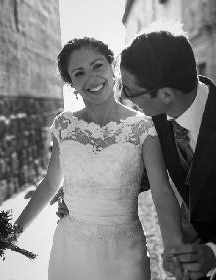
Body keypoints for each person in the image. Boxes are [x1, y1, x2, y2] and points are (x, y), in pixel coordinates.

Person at [14, 37, 184, 280]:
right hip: (70, 250)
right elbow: (51, 183)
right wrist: (15, 230)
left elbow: (162, 192)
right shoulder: (64, 124)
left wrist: (172, 246)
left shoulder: (143, 127)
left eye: (97, 66)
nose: (92, 78)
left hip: (124, 252)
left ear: (112, 67)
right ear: (71, 83)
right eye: (79, 73)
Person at [119, 22, 216, 280]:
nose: (125, 97)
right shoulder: (156, 117)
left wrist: (214, 253)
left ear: (165, 94)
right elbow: (144, 173)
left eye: (129, 91)